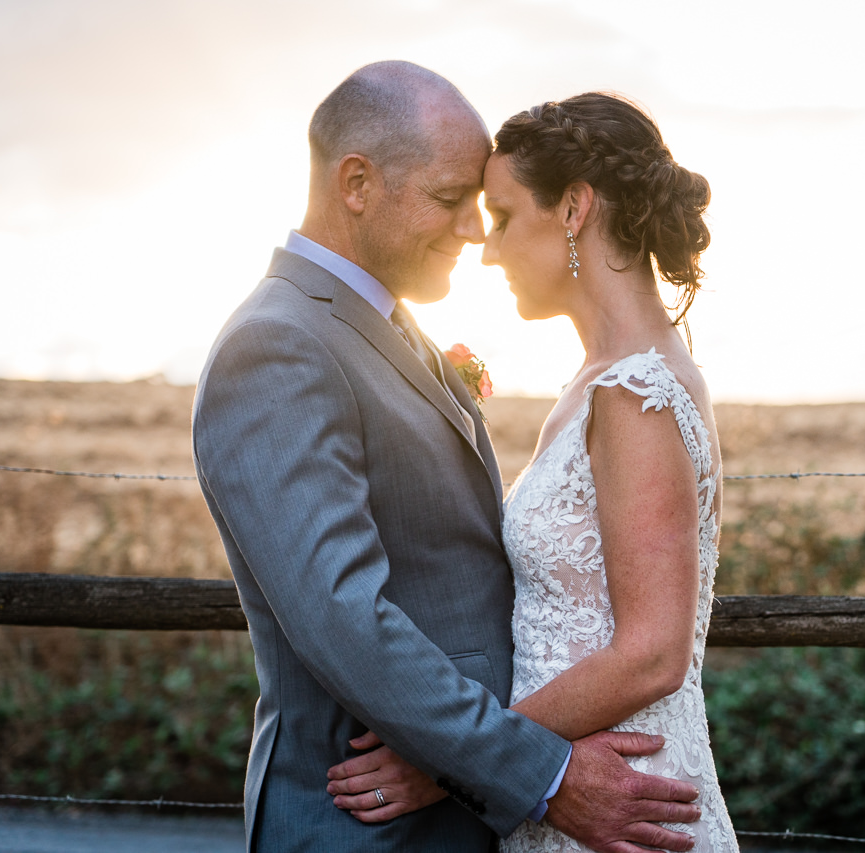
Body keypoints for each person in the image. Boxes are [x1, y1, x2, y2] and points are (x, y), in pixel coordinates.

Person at [191, 63, 700, 853]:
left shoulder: (387, 328)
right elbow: (340, 614)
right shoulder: (280, 343)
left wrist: (487, 766)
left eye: (488, 208)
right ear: (356, 182)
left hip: (459, 805)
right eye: (451, 199)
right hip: (365, 817)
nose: (473, 231)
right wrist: (536, 768)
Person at [326, 93, 738, 852]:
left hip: (624, 803)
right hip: (577, 786)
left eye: (506, 216)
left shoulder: (634, 395)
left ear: (575, 208)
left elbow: (653, 651)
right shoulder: (609, 379)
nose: (487, 246)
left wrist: (453, 760)